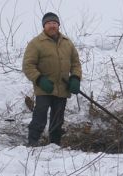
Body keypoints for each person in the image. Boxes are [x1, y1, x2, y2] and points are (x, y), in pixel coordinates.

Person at [22, 12, 82, 146]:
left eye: (54, 23)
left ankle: (55, 144)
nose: (52, 26)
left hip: (62, 87)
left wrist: (75, 78)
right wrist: (39, 79)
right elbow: (28, 65)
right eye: (49, 23)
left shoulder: (67, 43)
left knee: (58, 118)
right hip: (44, 87)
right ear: (44, 26)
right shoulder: (36, 43)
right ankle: (33, 142)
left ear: (58, 25)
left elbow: (75, 63)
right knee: (40, 115)